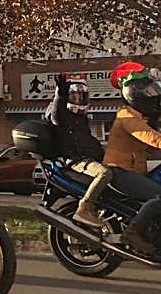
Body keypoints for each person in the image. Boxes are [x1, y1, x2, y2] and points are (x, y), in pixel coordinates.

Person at [103, 61, 161, 254]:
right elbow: (149, 137)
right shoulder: (126, 116)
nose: (153, 98)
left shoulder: (140, 117)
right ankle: (133, 233)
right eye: (148, 94)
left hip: (135, 169)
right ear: (135, 95)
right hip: (119, 171)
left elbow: (150, 146)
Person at [44, 74, 111, 229]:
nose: (79, 99)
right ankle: (84, 208)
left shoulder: (82, 118)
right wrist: (60, 94)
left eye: (82, 95)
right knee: (104, 173)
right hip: (76, 160)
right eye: (74, 95)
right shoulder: (62, 116)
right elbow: (56, 113)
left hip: (88, 158)